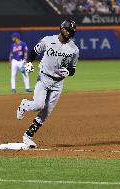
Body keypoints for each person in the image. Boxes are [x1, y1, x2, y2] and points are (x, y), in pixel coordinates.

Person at [16, 20, 79, 148]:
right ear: (61, 28)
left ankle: (27, 136)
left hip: (58, 84)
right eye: (67, 29)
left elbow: (73, 69)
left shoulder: (74, 49)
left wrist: (69, 71)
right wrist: (28, 62)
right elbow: (34, 51)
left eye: (71, 31)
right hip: (44, 78)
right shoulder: (48, 40)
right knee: (38, 105)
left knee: (45, 113)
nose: (68, 32)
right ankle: (24, 105)